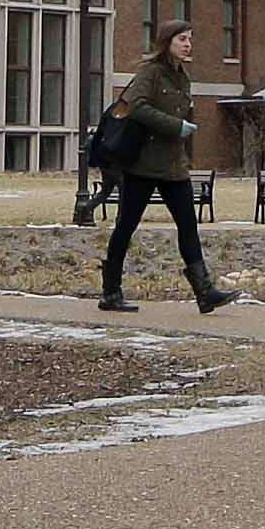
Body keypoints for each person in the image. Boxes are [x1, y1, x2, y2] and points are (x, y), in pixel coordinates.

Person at [94, 24, 230, 313]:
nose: (188, 44)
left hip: (173, 166)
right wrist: (176, 126)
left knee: (188, 224)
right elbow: (137, 106)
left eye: (191, 39)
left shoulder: (183, 78)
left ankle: (204, 291)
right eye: (182, 39)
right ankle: (110, 291)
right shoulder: (151, 73)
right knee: (126, 226)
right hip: (142, 165)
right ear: (167, 42)